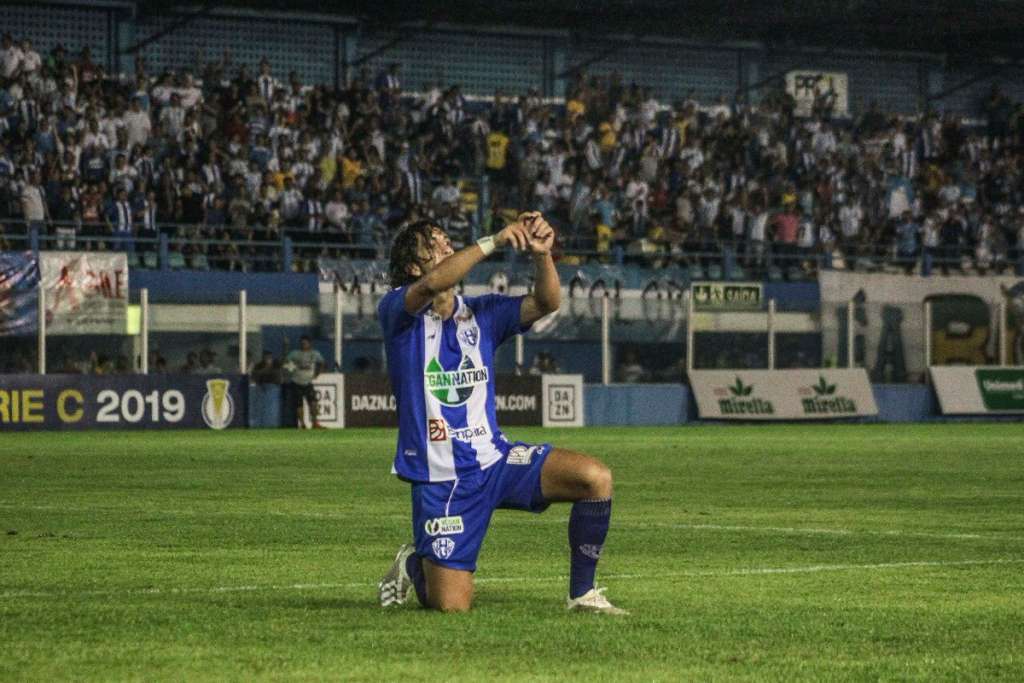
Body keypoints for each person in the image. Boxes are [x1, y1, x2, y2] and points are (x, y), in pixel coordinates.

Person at [376, 213, 625, 615]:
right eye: (433, 244)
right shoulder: (398, 313)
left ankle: (582, 594)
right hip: (442, 478)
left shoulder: (482, 314)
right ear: (412, 265)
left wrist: (542, 255)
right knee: (452, 606)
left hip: (496, 461)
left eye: (446, 240)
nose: (445, 247)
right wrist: (494, 240)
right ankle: (414, 564)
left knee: (594, 478)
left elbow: (547, 301)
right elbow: (432, 284)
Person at [285, 335, 324, 429]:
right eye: (302, 343)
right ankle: (302, 424)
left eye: (305, 343)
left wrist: (317, 373)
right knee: (299, 405)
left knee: (313, 403)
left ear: (309, 344)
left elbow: (321, 362)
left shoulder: (315, 353)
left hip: (308, 382)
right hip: (296, 382)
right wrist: (291, 369)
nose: (303, 345)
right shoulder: (295, 354)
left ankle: (315, 422)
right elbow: (286, 362)